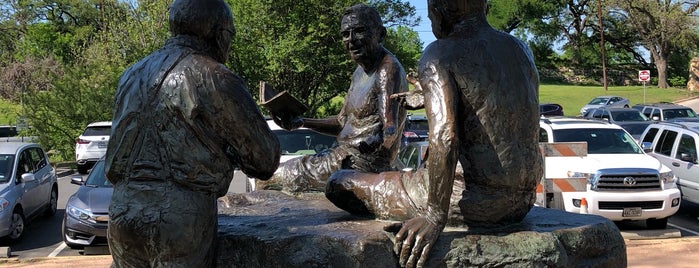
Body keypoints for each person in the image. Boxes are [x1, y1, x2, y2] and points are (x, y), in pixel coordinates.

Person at [325, 1, 543, 267]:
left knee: (339, 182)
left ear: (439, 11)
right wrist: (427, 97)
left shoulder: (439, 54)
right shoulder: (519, 49)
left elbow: (445, 138)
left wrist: (433, 216)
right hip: (522, 201)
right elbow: (500, 111)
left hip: (469, 200)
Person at [104, 0, 280, 266]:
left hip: (123, 210)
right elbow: (264, 159)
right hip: (180, 217)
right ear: (218, 33)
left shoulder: (131, 74)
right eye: (230, 35)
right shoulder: (214, 76)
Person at [259, 4, 408, 193]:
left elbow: (390, 127)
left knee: (269, 179)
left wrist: (375, 141)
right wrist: (301, 122)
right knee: (269, 176)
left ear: (381, 34)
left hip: (357, 165)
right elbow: (341, 122)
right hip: (339, 158)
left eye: (359, 31)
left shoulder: (387, 69)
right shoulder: (359, 72)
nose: (351, 40)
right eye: (346, 34)